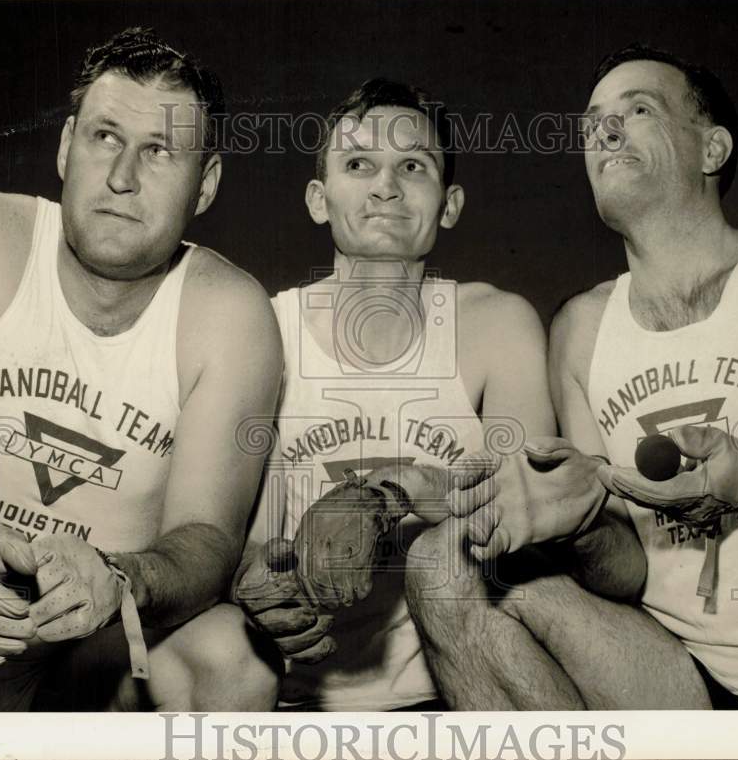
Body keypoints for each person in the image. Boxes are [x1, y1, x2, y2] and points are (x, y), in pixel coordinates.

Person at [402, 44, 738, 710]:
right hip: (672, 670)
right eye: (593, 121)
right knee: (441, 561)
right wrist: (582, 523)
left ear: (711, 149)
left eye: (637, 110)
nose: (603, 130)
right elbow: (627, 568)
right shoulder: (582, 329)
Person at [0, 27, 282, 711]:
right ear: (66, 146)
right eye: (104, 137)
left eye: (159, 152)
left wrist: (119, 580)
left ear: (205, 185)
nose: (122, 176)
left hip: (98, 636)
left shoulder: (231, 313)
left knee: (234, 658)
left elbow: (208, 539)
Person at [234, 78, 556, 711]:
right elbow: (207, 530)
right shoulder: (260, 329)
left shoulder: (495, 327)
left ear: (450, 202)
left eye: (413, 165)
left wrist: (396, 487)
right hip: (285, 698)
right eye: (359, 164)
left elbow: (534, 522)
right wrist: (252, 580)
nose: (386, 185)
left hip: (450, 691)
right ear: (318, 200)